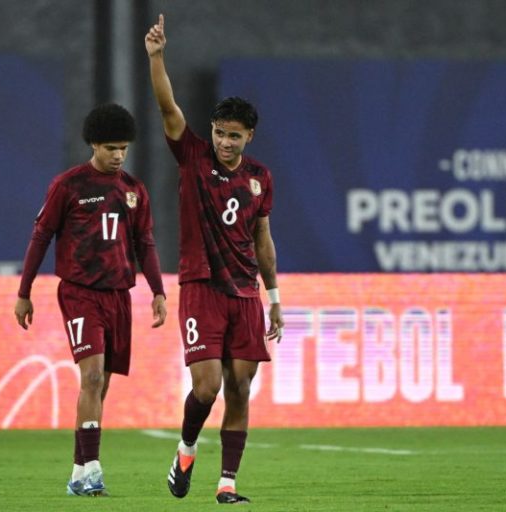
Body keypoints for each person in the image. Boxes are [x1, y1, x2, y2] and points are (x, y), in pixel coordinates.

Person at [145, 14, 284, 505]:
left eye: (235, 136)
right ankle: (185, 451)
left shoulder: (261, 178)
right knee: (205, 389)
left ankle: (227, 484)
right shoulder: (193, 156)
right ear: (212, 131)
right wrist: (157, 56)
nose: (225, 142)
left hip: (246, 292)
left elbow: (262, 237)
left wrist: (274, 297)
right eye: (220, 133)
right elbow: (167, 107)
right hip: (202, 286)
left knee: (241, 388)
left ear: (249, 137)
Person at [13, 103, 167, 497]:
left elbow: (145, 243)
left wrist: (158, 290)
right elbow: (41, 236)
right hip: (80, 292)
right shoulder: (69, 186)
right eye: (112, 147)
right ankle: (93, 470)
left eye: (124, 149)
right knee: (93, 377)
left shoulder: (133, 190)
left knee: (101, 386)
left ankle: (79, 472)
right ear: (94, 145)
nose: (119, 155)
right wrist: (24, 292)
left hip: (119, 294)